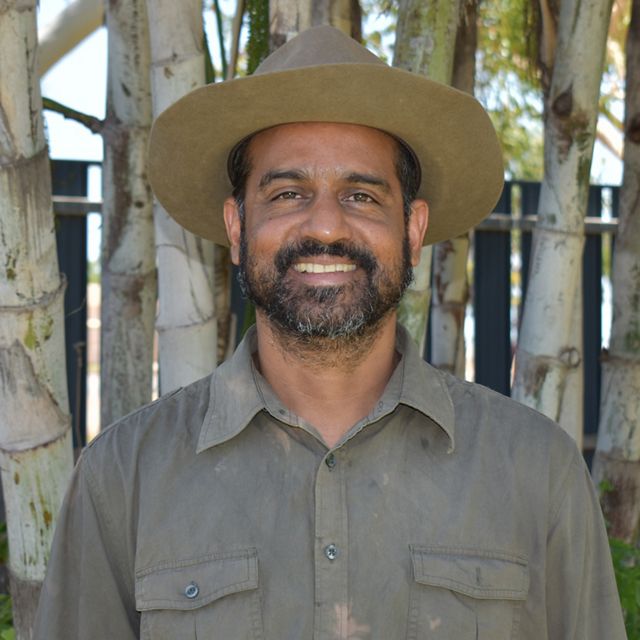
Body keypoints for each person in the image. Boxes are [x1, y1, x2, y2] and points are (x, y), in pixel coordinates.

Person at [34, 25, 626, 640]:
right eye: (288, 193)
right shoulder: (123, 479)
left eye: (361, 196)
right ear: (237, 227)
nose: (325, 226)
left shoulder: (537, 471)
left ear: (413, 230)